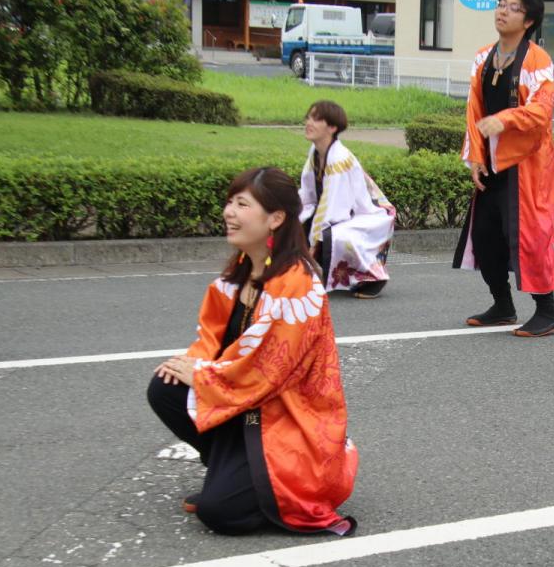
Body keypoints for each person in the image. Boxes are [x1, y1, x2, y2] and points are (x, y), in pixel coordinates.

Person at [147, 167, 358, 536]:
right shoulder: (243, 268)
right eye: (230, 202)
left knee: (220, 514)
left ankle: (261, 486)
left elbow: (268, 372)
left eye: (242, 204)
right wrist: (192, 364)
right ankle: (226, 469)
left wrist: (200, 376)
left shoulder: (297, 283)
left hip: (288, 419)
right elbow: (212, 339)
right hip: (247, 403)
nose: (229, 212)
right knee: (165, 387)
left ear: (275, 218)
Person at [453, 0, 554, 338]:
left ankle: (549, 310)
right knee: (485, 235)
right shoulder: (484, 57)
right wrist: (474, 156)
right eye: (501, 4)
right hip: (493, 162)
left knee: (528, 237)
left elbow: (541, 110)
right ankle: (502, 304)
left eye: (512, 7)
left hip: (527, 164)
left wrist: (505, 120)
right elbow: (474, 110)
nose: (502, 11)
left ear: (528, 20)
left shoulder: (537, 60)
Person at [299, 100, 395, 299]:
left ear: (332, 128)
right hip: (344, 211)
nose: (309, 123)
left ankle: (373, 277)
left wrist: (313, 241)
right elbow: (308, 191)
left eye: (316, 119)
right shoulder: (315, 152)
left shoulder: (339, 158)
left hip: (367, 213)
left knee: (334, 236)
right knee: (295, 221)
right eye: (308, 117)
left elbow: (334, 208)